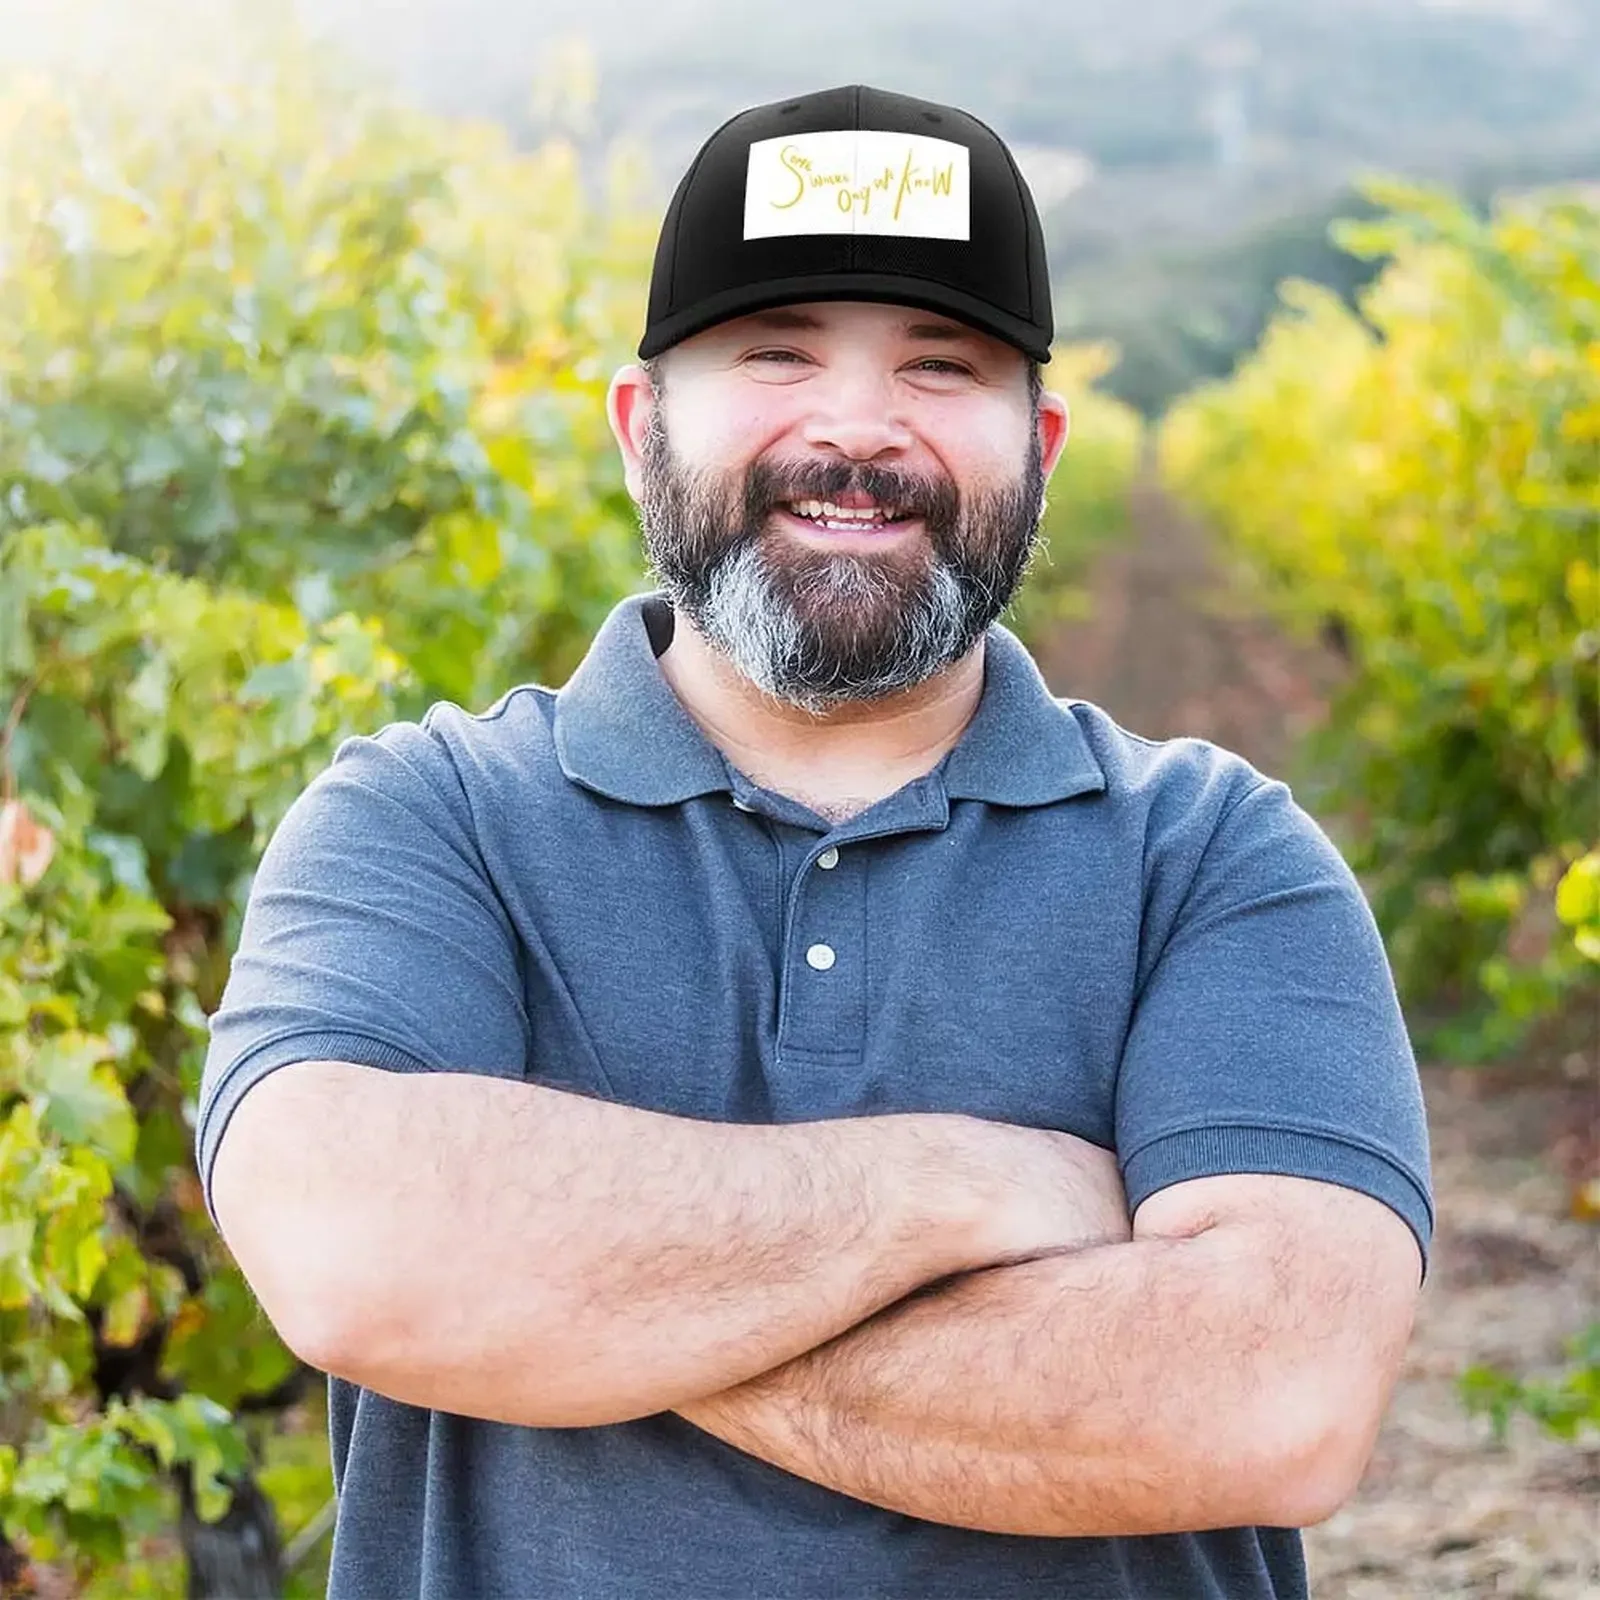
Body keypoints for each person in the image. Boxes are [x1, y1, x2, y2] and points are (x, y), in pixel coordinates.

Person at [199, 83, 1433, 1600]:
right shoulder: (422, 818)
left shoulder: (1217, 857)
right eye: (776, 355)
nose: (858, 429)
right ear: (641, 429)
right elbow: (354, 1251)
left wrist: (566, 1304)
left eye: (940, 366)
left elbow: (1267, 1398)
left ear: (1038, 446)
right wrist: (967, 1190)